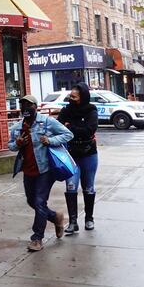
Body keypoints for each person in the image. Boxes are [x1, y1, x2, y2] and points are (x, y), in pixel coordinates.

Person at [8, 95, 73, 251]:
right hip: (28, 170)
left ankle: (37, 238)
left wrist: (50, 141)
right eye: (23, 105)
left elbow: (68, 134)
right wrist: (17, 144)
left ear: (35, 107)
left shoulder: (47, 122)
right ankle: (55, 217)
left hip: (45, 170)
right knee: (32, 201)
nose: (25, 108)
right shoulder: (17, 127)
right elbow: (10, 146)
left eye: (29, 105)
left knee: (39, 202)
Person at [57, 82, 99, 233]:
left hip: (88, 154)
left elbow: (89, 130)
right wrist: (72, 129)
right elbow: (58, 126)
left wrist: (70, 127)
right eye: (71, 96)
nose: (72, 99)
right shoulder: (66, 110)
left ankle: (89, 218)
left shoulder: (91, 111)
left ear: (83, 96)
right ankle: (73, 222)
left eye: (75, 97)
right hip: (71, 154)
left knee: (88, 187)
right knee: (70, 187)